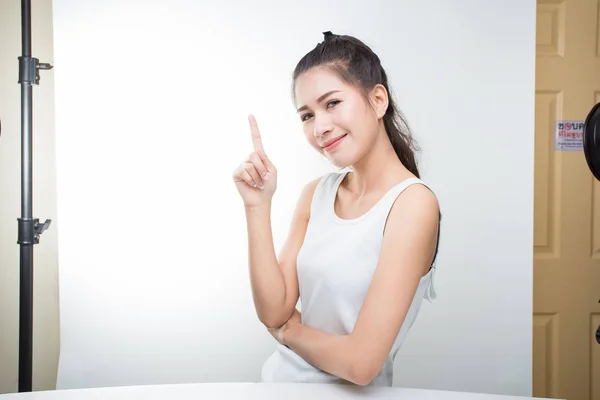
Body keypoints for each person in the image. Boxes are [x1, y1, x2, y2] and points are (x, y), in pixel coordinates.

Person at [232, 31, 441, 387]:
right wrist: (257, 206)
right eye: (306, 115)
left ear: (377, 101)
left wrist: (290, 332)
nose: (320, 128)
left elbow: (361, 365)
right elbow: (274, 309)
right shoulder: (316, 194)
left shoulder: (412, 204)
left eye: (331, 103)